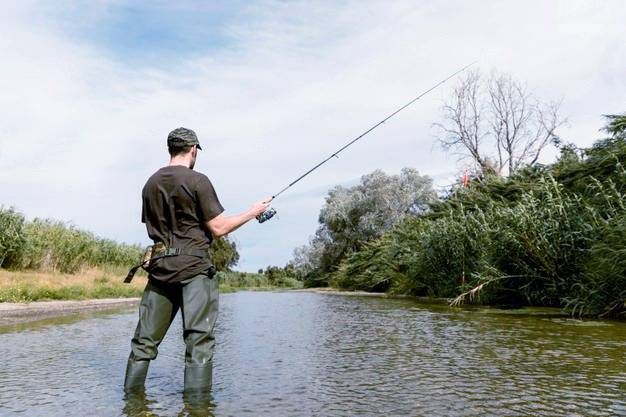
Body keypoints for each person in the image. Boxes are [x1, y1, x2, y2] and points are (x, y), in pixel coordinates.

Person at [123, 127, 271, 393]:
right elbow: (219, 228)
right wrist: (253, 211)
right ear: (193, 150)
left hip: (160, 272)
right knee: (198, 343)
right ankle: (198, 408)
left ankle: (131, 404)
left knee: (143, 343)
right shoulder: (198, 181)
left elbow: (155, 228)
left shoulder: (149, 184)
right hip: (194, 272)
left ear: (170, 149)